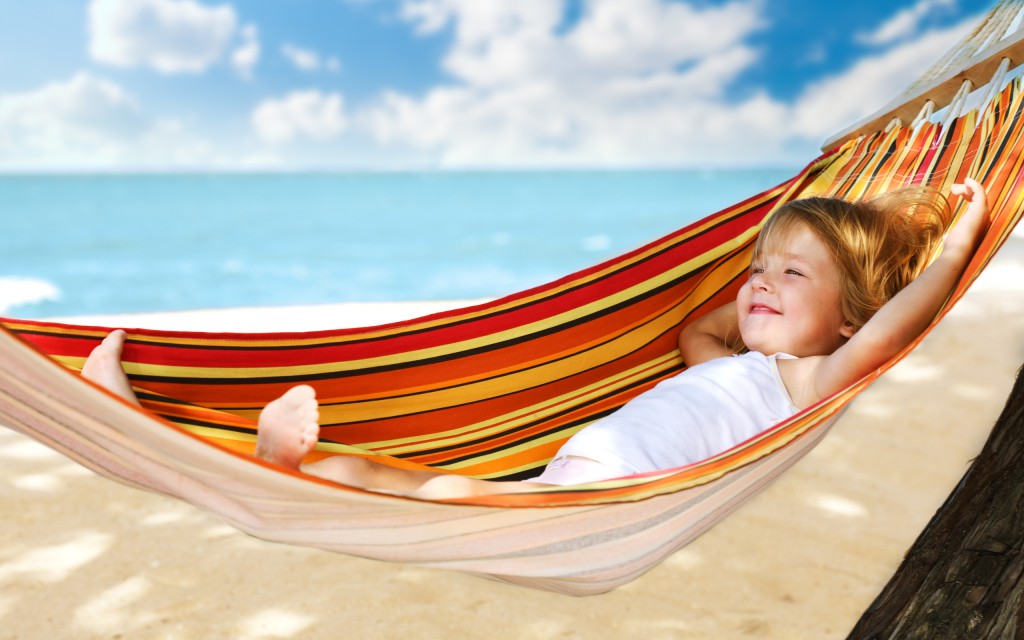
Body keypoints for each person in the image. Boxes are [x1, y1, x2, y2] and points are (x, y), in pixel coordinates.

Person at [82, 178, 990, 500]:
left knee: (426, 495)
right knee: (419, 488)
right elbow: (691, 324)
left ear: (847, 322)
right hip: (570, 479)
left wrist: (953, 245)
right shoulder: (732, 363)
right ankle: (222, 443)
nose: (760, 283)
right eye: (758, 269)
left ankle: (286, 460)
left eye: (793, 276)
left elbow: (898, 324)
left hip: (613, 501)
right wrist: (761, 262)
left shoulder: (807, 381)